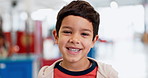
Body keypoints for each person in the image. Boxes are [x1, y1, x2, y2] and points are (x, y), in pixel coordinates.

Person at [38, 0, 118, 78]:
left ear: (94, 40)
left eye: (84, 34)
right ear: (56, 36)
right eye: (67, 32)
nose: (75, 40)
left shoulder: (108, 74)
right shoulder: (45, 75)